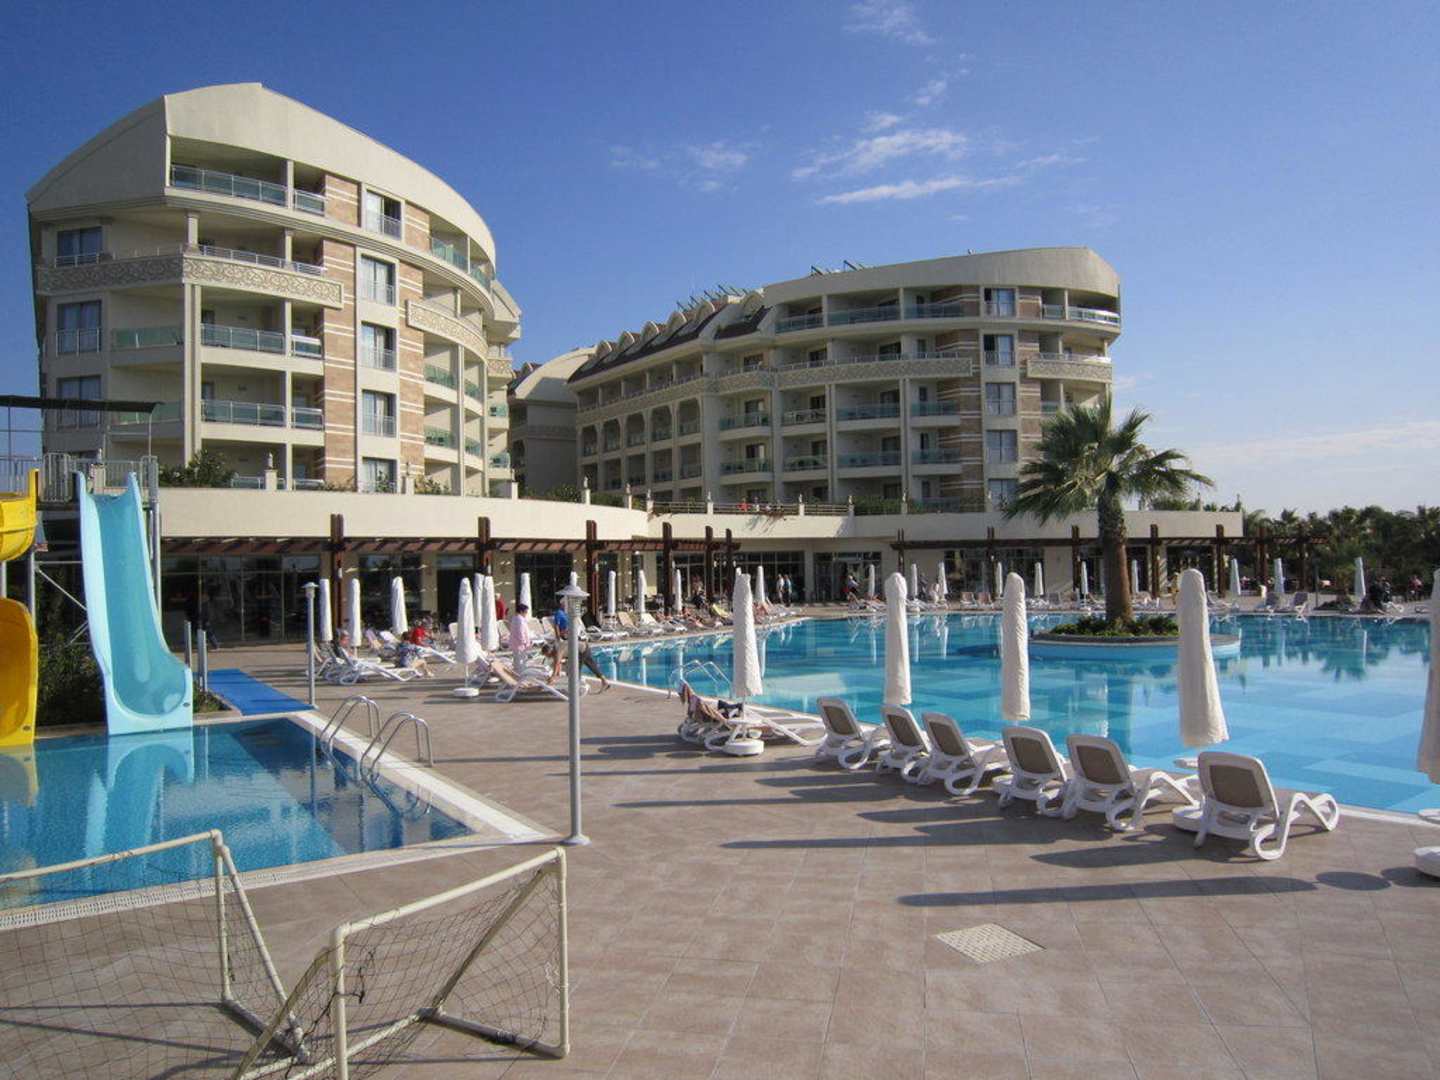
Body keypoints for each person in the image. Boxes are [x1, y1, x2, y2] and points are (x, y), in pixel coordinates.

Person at [549, 605, 611, 691]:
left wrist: (553, 677)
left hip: (581, 650)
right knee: (591, 665)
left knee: (575, 668)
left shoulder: (559, 648)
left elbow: (557, 663)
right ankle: (604, 681)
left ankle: (575, 689)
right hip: (584, 646)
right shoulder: (564, 614)